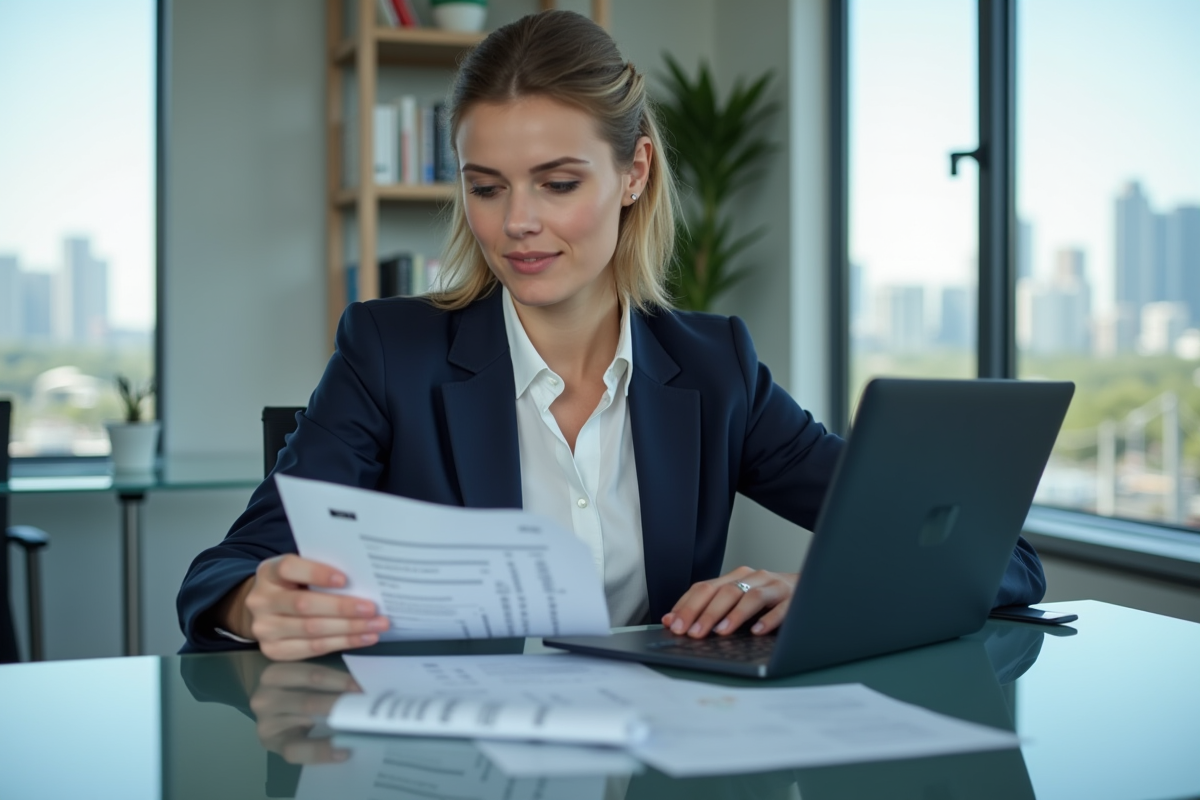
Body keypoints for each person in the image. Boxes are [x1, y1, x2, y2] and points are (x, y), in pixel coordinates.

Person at [177, 10, 1046, 661]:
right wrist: (254, 603)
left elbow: (994, 560)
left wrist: (819, 589)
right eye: (486, 187)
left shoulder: (717, 370)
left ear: (633, 173)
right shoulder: (386, 352)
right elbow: (227, 570)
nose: (517, 222)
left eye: (557, 183)